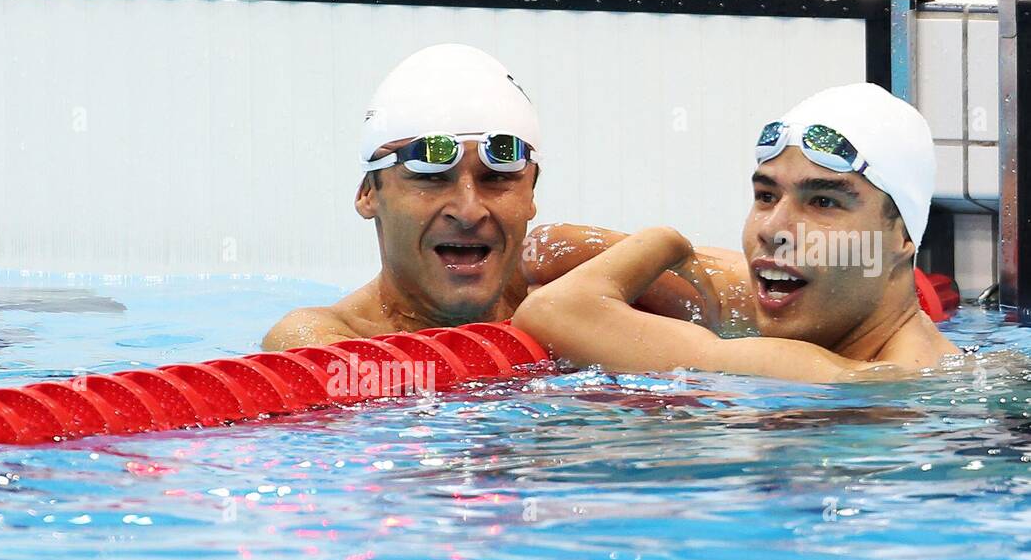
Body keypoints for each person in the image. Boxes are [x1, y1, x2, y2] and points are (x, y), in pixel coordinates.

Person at [513, 83, 960, 382]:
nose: (773, 229)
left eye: (823, 202)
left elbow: (553, 310)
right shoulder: (919, 355)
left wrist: (666, 241)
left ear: (902, 239)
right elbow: (550, 250)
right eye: (766, 196)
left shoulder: (829, 376)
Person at [262, 44, 542, 350]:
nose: (469, 211)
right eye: (431, 179)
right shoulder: (321, 340)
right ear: (369, 193)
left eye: (496, 178)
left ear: (531, 193)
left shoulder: (557, 286)